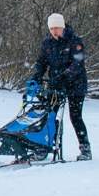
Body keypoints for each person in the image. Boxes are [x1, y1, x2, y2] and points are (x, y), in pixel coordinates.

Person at [30, 13, 92, 161]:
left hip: (76, 85)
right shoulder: (47, 43)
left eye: (56, 28)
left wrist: (64, 76)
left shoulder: (75, 41)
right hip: (56, 85)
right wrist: (37, 76)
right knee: (50, 115)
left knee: (75, 117)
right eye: (51, 28)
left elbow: (78, 64)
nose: (54, 31)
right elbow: (41, 62)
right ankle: (44, 146)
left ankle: (85, 149)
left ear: (62, 27)